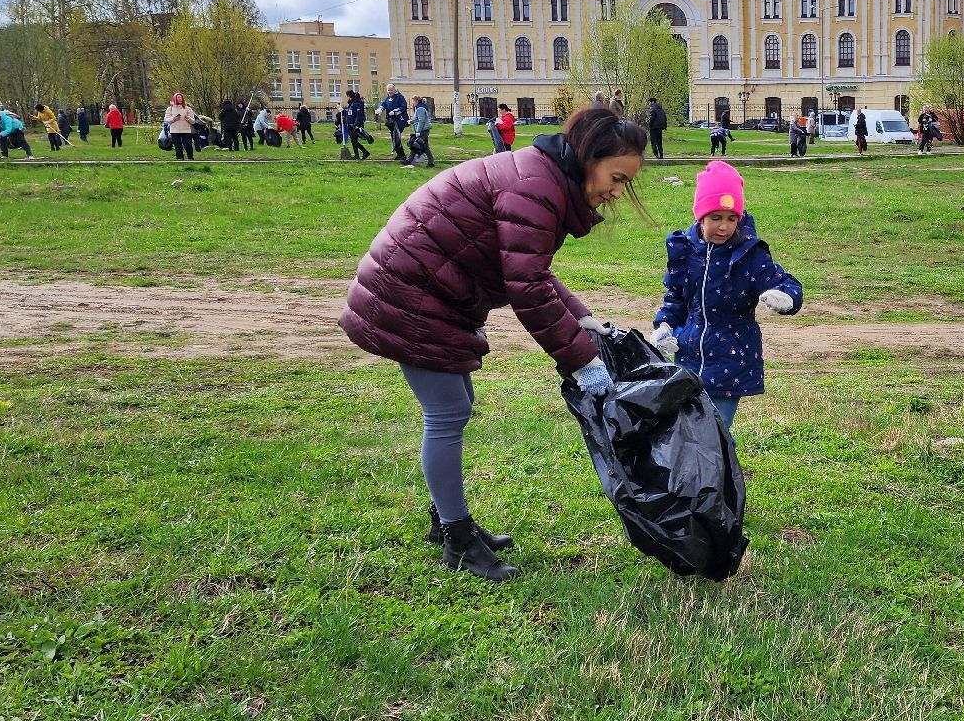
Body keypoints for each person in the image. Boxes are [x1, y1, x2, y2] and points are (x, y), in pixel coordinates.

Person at [339, 106, 649, 582]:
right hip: (411, 290)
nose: (617, 191)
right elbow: (526, 286)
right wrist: (583, 362)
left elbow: (532, 271)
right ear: (590, 157)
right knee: (447, 413)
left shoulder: (543, 177)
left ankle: (447, 518)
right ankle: (457, 538)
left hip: (427, 287)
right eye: (616, 177)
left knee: (454, 406)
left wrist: (581, 317)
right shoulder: (537, 186)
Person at [650, 159, 803, 434]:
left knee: (715, 433)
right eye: (716, 218)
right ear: (700, 217)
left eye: (732, 218)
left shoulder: (749, 254)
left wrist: (786, 298)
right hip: (688, 356)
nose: (724, 227)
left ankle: (720, 477)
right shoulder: (685, 252)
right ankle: (696, 477)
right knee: (686, 430)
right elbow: (675, 297)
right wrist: (664, 326)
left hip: (731, 358)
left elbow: (785, 283)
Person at [164, 93, 199, 160]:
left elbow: (193, 121)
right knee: (178, 146)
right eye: (178, 97)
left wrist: (188, 118)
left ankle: (190, 158)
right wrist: (173, 119)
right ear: (174, 99)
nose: (180, 99)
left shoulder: (187, 108)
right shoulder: (170, 109)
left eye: (181, 97)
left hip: (186, 130)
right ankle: (180, 159)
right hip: (174, 130)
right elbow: (166, 120)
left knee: (188, 145)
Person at [379, 83, 410, 160]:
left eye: (391, 90)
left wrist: (395, 111)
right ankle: (400, 154)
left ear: (394, 90)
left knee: (396, 137)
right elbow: (384, 104)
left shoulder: (400, 97)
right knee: (394, 137)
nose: (390, 92)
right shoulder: (388, 98)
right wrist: (380, 109)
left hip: (400, 121)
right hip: (391, 121)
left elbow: (403, 106)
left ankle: (402, 155)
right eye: (388, 90)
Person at [340, 89, 371, 160]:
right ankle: (357, 155)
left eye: (346, 96)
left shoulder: (357, 103)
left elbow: (359, 115)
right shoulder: (352, 103)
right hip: (351, 125)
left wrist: (355, 125)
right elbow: (350, 114)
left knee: (354, 141)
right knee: (354, 141)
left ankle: (365, 152)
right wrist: (343, 111)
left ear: (349, 96)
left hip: (355, 125)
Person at [409, 97, 433, 167]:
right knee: (419, 145)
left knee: (417, 144)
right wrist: (412, 121)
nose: (412, 103)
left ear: (416, 101)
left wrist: (418, 131)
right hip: (423, 129)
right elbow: (418, 119)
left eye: (413, 101)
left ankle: (429, 162)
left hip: (423, 130)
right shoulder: (420, 107)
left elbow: (421, 121)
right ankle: (409, 160)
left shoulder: (420, 109)